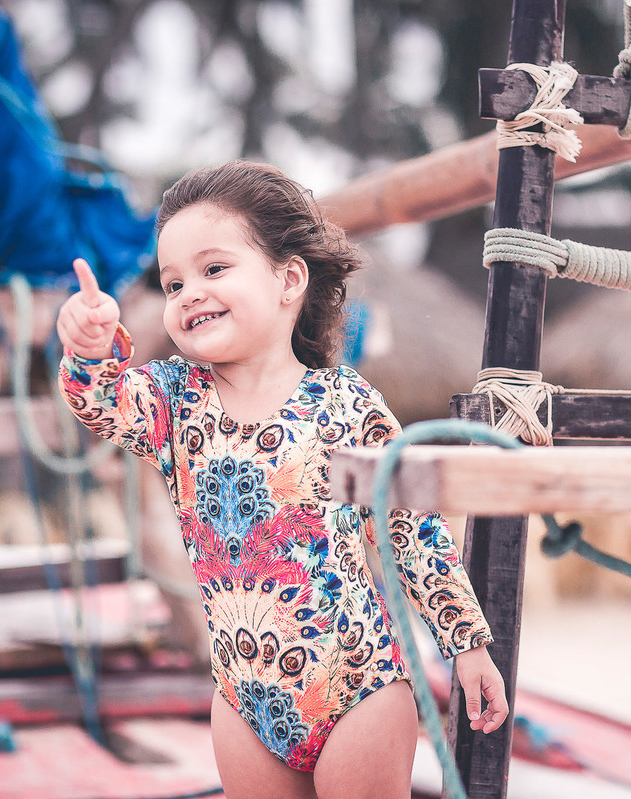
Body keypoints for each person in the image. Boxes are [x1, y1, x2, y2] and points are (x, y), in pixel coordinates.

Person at [56, 160, 507, 798]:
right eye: (173, 282)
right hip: (243, 700)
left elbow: (410, 529)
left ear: (288, 277)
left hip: (358, 689)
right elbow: (97, 400)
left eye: (214, 270)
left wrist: (465, 643)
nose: (189, 294)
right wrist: (90, 349)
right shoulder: (172, 404)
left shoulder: (345, 402)